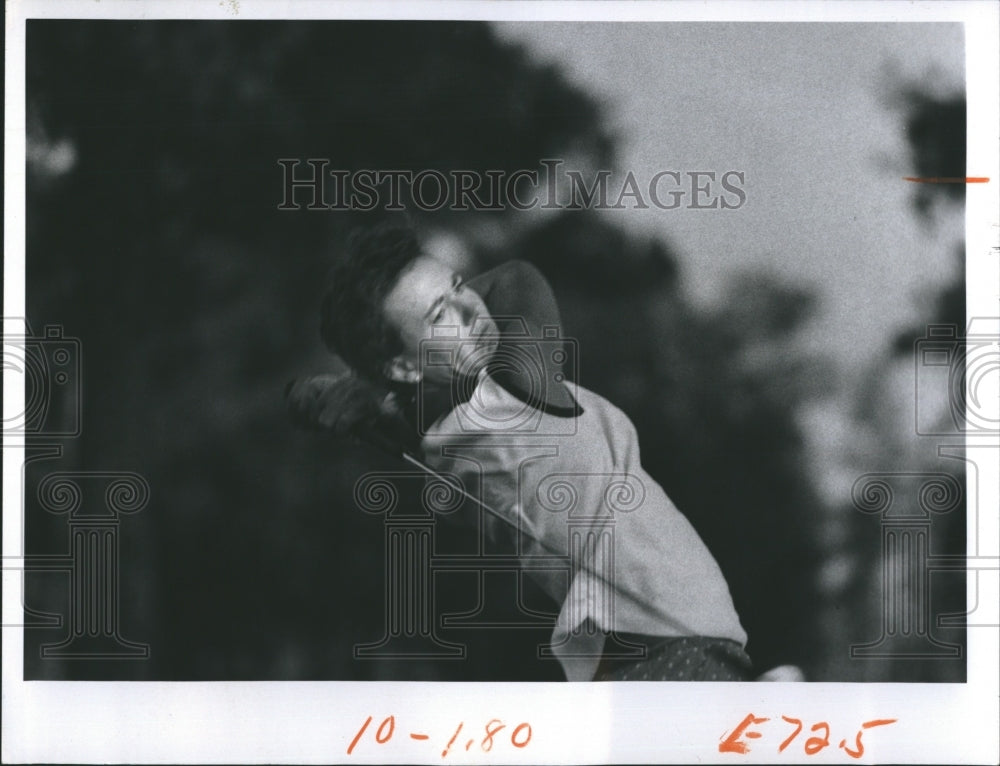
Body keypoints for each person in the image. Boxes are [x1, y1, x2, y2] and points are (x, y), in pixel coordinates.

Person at [294, 223, 755, 682]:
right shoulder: (520, 391)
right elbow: (516, 277)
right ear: (402, 365)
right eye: (439, 316)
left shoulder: (438, 447)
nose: (471, 309)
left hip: (657, 645)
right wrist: (363, 389)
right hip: (678, 640)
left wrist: (366, 387)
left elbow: (411, 403)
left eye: (458, 286)